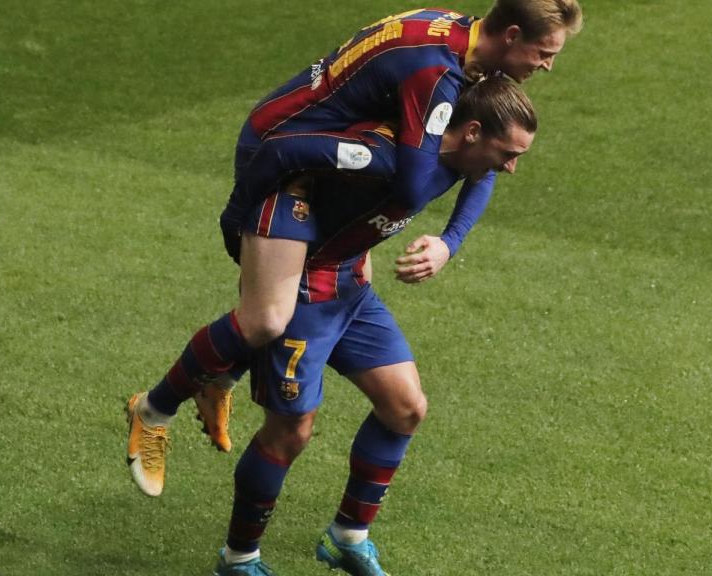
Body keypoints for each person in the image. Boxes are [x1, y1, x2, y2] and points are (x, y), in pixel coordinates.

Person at [126, 0, 581, 491]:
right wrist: (239, 214)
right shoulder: (435, 73)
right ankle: (154, 409)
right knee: (268, 317)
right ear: (511, 35)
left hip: (321, 160)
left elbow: (486, 151)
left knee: (322, 284)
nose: (547, 65)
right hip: (283, 157)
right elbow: (412, 184)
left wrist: (449, 241)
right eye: (544, 52)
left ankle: (221, 377)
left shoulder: (456, 41)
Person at [189, 77, 530, 575]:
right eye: (509, 151)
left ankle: (347, 536)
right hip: (304, 288)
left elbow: (485, 176)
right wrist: (246, 235)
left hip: (349, 288)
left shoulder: (465, 156)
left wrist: (447, 241)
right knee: (290, 429)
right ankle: (239, 558)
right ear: (474, 131)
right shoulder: (387, 154)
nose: (512, 166)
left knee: (405, 408)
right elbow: (291, 157)